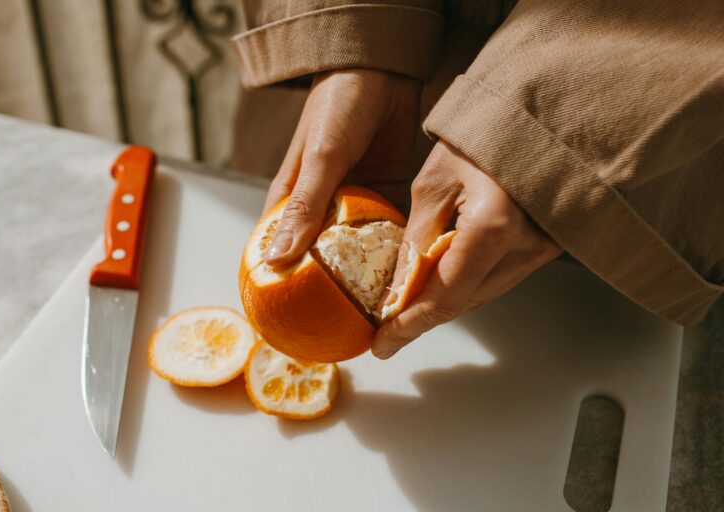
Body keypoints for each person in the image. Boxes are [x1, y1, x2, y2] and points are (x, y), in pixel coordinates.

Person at [230, 0, 724, 359]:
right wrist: (356, 31)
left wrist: (545, 128)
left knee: (599, 346)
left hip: (637, 133)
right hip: (359, 126)